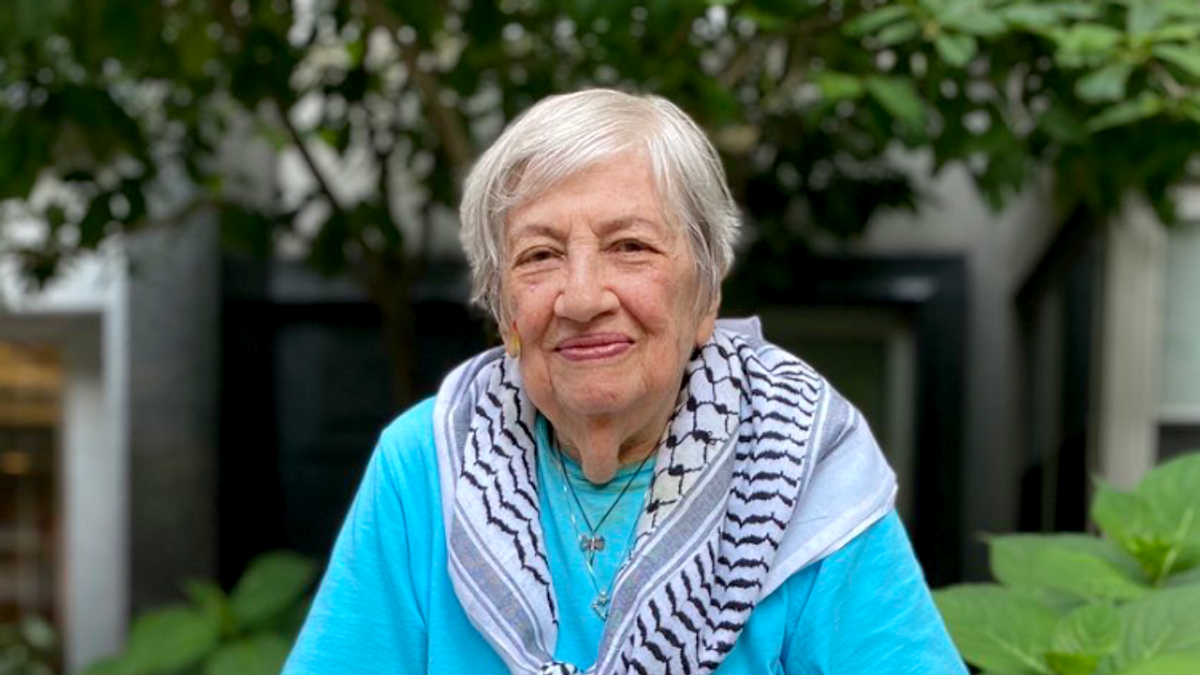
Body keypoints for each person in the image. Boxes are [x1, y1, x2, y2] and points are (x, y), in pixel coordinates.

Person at [283, 89, 967, 675]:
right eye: (540, 255)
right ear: (504, 313)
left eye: (629, 246)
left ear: (705, 294)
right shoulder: (429, 464)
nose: (582, 297)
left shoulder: (797, 462)